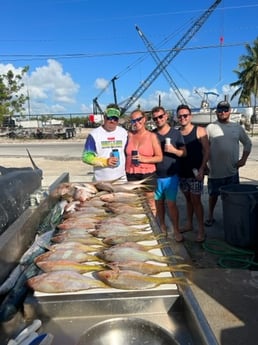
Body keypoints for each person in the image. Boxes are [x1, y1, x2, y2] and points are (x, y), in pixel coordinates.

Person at [205, 100, 252, 226]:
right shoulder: (210, 128)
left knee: (233, 199)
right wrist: (204, 165)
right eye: (220, 110)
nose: (223, 112)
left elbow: (248, 143)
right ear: (216, 112)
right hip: (214, 172)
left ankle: (233, 218)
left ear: (230, 111)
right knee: (212, 196)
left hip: (232, 172)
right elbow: (204, 149)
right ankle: (210, 216)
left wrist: (243, 160)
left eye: (225, 110)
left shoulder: (237, 127)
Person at [151, 106, 186, 242]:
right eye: (155, 118)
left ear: (166, 116)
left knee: (171, 204)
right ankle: (163, 227)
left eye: (160, 117)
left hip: (171, 176)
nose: (158, 120)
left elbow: (184, 153)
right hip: (156, 176)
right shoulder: (152, 135)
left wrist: (173, 150)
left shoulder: (176, 134)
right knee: (158, 204)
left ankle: (176, 230)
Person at [177, 104, 209, 243]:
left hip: (196, 173)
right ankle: (189, 224)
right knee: (188, 199)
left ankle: (201, 229)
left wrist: (202, 168)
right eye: (180, 116)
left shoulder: (200, 131)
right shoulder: (176, 133)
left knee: (196, 200)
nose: (183, 118)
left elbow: (207, 151)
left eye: (185, 115)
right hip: (182, 173)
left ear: (190, 116)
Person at [125, 109, 163, 213]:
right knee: (135, 203)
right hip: (131, 173)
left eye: (139, 119)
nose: (136, 122)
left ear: (144, 119)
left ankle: (152, 227)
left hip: (147, 174)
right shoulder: (129, 136)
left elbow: (159, 157)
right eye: (133, 120)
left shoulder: (152, 136)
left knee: (150, 202)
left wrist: (143, 159)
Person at [82, 104, 128, 181]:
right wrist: (105, 161)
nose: (112, 120)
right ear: (104, 117)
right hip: (101, 180)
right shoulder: (94, 134)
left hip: (121, 178)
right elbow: (86, 157)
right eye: (109, 118)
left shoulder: (123, 132)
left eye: (115, 118)